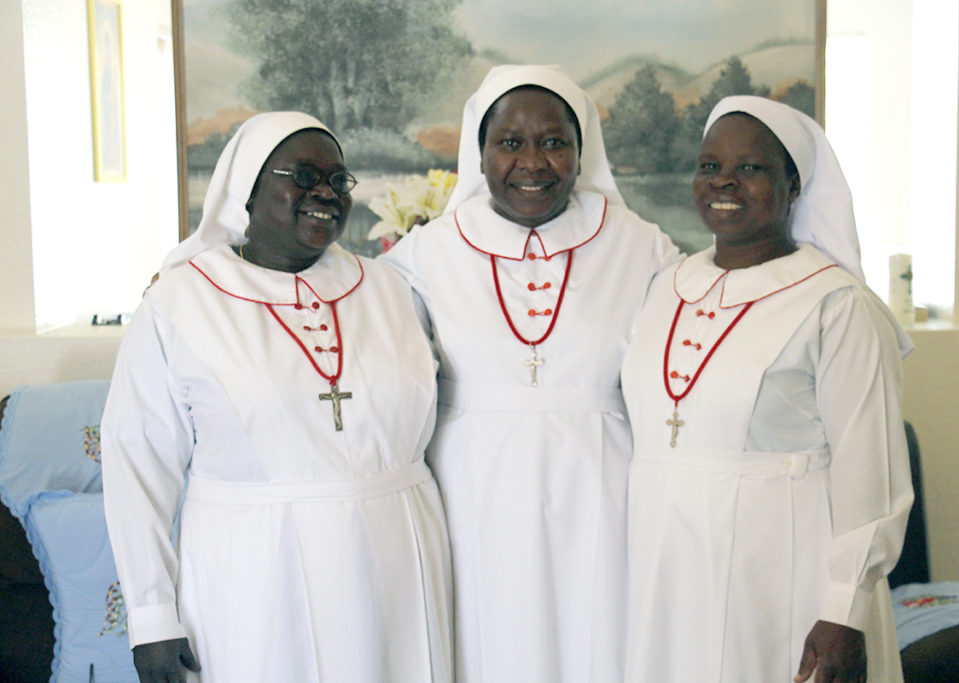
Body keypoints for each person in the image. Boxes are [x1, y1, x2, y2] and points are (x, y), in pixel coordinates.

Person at [101, 112, 452, 682]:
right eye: (305, 176)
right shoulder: (180, 304)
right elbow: (135, 463)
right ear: (247, 186)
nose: (326, 194)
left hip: (398, 565)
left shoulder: (392, 289)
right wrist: (150, 617)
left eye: (338, 180)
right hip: (255, 574)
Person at [382, 64, 678, 682]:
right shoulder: (426, 253)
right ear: (480, 152)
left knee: (600, 642)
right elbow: (360, 336)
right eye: (510, 143)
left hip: (604, 487)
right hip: (472, 490)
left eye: (553, 142)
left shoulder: (641, 246)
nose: (533, 162)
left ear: (581, 150)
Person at [621, 95, 914, 682]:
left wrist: (843, 611)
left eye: (751, 168)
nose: (724, 181)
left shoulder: (838, 305)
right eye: (710, 166)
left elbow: (871, 473)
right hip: (670, 574)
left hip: (783, 575)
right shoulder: (665, 287)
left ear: (794, 187)